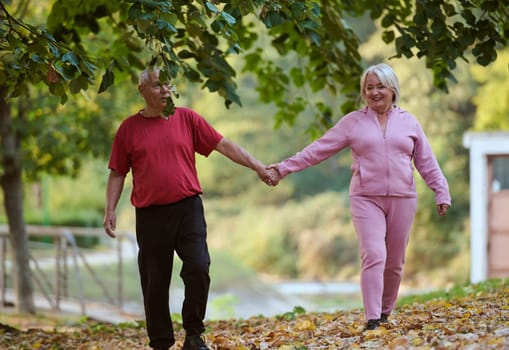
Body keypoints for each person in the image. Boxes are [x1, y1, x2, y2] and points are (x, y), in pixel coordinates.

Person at [266, 63, 451, 331]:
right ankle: (373, 318)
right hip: (366, 198)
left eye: (380, 87)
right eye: (369, 88)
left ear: (393, 89)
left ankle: (386, 312)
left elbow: (426, 162)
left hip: (403, 197)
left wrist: (441, 190)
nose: (375, 92)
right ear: (364, 92)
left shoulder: (409, 122)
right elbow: (319, 149)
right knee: (374, 254)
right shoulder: (353, 122)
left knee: (395, 262)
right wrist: (283, 169)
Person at [103, 67, 273, 350]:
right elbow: (117, 172)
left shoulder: (187, 119)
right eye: (157, 85)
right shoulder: (128, 129)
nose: (165, 90)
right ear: (142, 90)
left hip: (188, 209)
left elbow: (223, 144)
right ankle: (160, 342)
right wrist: (110, 209)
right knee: (155, 282)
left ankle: (194, 334)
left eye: (168, 84)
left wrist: (257, 165)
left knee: (198, 266)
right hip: (150, 215)